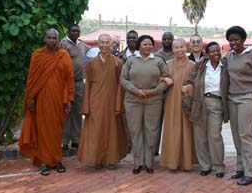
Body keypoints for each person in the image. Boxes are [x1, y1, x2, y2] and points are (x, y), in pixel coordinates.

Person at [19, 28, 74, 176]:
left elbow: (69, 79)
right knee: (42, 130)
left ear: (58, 39)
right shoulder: (37, 55)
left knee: (56, 132)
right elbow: (31, 80)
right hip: (42, 100)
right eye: (49, 38)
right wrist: (30, 98)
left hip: (58, 100)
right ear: (45, 39)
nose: (52, 40)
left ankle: (57, 160)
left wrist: (69, 98)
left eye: (54, 38)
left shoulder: (64, 56)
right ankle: (43, 162)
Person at [225, 26, 252, 186]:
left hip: (249, 98)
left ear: (243, 40)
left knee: (247, 135)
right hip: (232, 99)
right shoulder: (229, 56)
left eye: (236, 39)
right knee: (236, 135)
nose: (233, 42)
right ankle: (241, 168)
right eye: (230, 40)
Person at [121, 35, 170, 174]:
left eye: (150, 44)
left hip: (153, 101)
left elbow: (167, 79)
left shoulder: (159, 61)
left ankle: (149, 163)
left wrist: (154, 91)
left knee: (151, 131)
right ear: (139, 46)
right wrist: (136, 91)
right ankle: (137, 163)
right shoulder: (130, 61)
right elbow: (123, 79)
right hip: (133, 101)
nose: (148, 47)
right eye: (145, 44)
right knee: (135, 131)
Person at [78, 33, 128, 169]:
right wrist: (86, 105)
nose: (105, 45)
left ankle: (111, 159)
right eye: (103, 42)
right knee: (96, 130)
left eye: (108, 42)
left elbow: (120, 85)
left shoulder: (118, 63)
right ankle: (97, 158)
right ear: (98, 44)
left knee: (112, 131)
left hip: (112, 101)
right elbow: (87, 85)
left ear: (111, 44)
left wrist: (119, 104)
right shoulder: (90, 64)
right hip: (95, 102)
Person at [189, 41, 228, 178]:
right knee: (200, 136)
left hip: (217, 102)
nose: (216, 53)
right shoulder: (200, 66)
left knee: (215, 135)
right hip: (200, 101)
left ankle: (218, 166)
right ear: (207, 53)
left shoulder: (225, 66)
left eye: (218, 50)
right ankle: (205, 165)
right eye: (213, 51)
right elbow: (190, 80)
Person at [160, 38, 197, 171]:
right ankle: (172, 163)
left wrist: (189, 87)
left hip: (186, 101)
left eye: (181, 47)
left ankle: (187, 163)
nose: (179, 50)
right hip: (171, 101)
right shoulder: (167, 64)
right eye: (176, 47)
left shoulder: (192, 64)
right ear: (173, 49)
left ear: (186, 48)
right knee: (172, 130)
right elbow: (159, 78)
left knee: (186, 130)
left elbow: (197, 82)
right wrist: (164, 79)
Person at [60, 24, 90, 150]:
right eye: (73, 31)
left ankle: (76, 139)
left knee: (78, 111)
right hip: (65, 82)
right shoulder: (63, 44)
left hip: (78, 83)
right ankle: (64, 140)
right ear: (68, 31)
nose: (75, 33)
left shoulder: (82, 45)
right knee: (66, 111)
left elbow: (94, 51)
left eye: (77, 31)